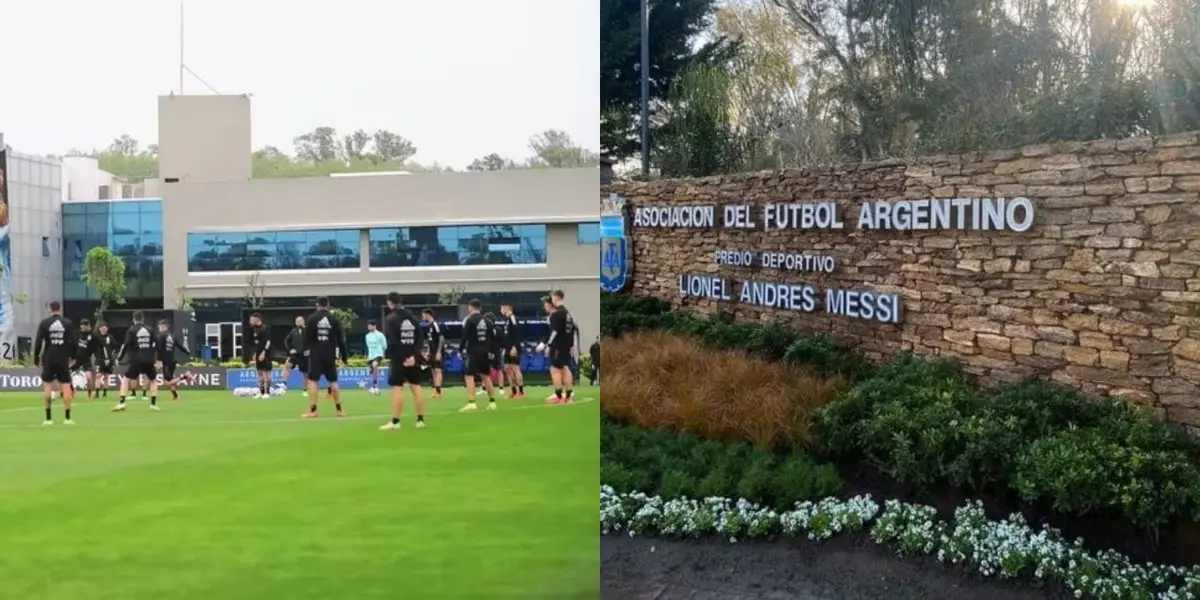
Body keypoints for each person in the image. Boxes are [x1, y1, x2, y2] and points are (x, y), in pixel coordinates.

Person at [379, 292, 426, 430]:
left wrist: (405, 357)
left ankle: (395, 422)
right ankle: (420, 420)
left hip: (399, 358)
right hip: (413, 358)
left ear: (390, 303)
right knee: (416, 387)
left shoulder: (390, 319)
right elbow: (420, 338)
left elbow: (393, 340)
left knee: (397, 387)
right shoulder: (413, 318)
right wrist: (414, 356)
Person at [302, 296, 348, 418]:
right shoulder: (334, 320)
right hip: (330, 353)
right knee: (333, 381)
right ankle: (339, 410)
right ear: (328, 305)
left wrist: (305, 350)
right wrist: (344, 356)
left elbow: (307, 338)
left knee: (313, 381)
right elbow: (341, 340)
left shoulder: (312, 319)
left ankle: (313, 411)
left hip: (316, 354)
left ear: (317, 305)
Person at [33, 301, 77, 425]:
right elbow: (74, 342)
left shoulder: (44, 323)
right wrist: (73, 356)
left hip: (49, 357)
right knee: (66, 386)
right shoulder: (67, 323)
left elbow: (38, 342)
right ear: (60, 309)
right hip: (62, 357)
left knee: (48, 386)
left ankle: (48, 419)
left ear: (50, 309)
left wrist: (36, 358)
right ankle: (67, 418)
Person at [112, 311, 158, 412]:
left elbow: (125, 345)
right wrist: (154, 356)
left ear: (133, 319)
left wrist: (119, 358)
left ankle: (122, 403)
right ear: (143, 319)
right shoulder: (150, 329)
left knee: (126, 379)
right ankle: (153, 404)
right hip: (149, 360)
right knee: (153, 380)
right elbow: (156, 343)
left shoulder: (131, 330)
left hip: (137, 359)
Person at [459, 299, 498, 412]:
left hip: (473, 352)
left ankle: (472, 403)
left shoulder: (469, 320)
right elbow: (492, 338)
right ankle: (492, 402)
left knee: (469, 376)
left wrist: (460, 349)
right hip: (485, 352)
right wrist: (491, 352)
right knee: (486, 376)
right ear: (480, 308)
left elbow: (465, 336)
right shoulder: (487, 321)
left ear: (470, 307)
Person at [546, 290, 579, 404]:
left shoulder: (557, 314)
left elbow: (554, 331)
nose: (552, 300)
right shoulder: (567, 313)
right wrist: (571, 345)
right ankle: (569, 396)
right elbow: (571, 330)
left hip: (558, 346)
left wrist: (549, 345)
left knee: (554, 369)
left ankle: (559, 396)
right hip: (566, 346)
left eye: (552, 298)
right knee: (565, 368)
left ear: (556, 298)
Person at [155, 319, 192, 400]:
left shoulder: (161, 336)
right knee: (169, 380)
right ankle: (175, 396)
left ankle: (185, 376)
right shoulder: (172, 336)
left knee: (167, 383)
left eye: (159, 327)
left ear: (164, 327)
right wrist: (187, 352)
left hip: (167, 362)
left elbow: (158, 348)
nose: (159, 329)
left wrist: (158, 360)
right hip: (172, 361)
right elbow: (180, 346)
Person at [499, 302, 525, 398]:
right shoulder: (506, 320)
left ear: (507, 308)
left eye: (502, 308)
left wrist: (514, 346)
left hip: (513, 348)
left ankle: (521, 392)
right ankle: (513, 391)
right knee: (507, 369)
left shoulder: (512, 318)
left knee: (515, 368)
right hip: (507, 348)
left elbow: (517, 332)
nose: (501, 310)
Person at [247, 313, 272, 399]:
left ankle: (267, 392)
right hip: (258, 353)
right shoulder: (253, 329)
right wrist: (255, 353)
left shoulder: (265, 328)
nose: (250, 321)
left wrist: (264, 352)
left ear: (257, 319)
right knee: (259, 373)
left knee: (266, 373)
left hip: (265, 354)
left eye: (252, 320)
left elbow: (268, 342)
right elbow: (255, 343)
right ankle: (261, 392)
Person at [421, 308, 445, 398]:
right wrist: (428, 351)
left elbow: (441, 338)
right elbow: (429, 340)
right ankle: (436, 390)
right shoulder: (428, 326)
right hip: (432, 352)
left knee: (437, 370)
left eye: (423, 315)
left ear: (428, 314)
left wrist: (439, 352)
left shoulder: (435, 324)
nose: (422, 317)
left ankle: (439, 392)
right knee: (433, 371)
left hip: (437, 351)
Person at [90, 322, 117, 398]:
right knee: (98, 375)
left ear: (107, 329)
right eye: (102, 327)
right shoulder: (96, 337)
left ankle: (105, 393)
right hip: (99, 359)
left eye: (105, 328)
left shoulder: (110, 337)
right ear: (99, 328)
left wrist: (111, 357)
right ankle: (97, 393)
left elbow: (115, 347)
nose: (103, 329)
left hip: (109, 359)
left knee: (106, 376)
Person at [282, 315, 308, 395]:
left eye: (299, 321)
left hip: (304, 355)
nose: (298, 322)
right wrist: (290, 349)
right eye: (296, 321)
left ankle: (305, 390)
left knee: (305, 373)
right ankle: (284, 383)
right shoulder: (293, 331)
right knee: (287, 366)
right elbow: (286, 341)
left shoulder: (308, 331)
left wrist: (309, 350)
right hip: (294, 355)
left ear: (303, 321)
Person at [74, 319, 95, 401]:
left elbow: (97, 345)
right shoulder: (76, 333)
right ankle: (68, 391)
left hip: (86, 359)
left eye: (85, 325)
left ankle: (89, 394)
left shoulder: (92, 335)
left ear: (88, 326)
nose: (83, 327)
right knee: (66, 375)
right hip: (76, 358)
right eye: (82, 325)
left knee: (89, 377)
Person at [365, 320, 387, 395]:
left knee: (374, 365)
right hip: (371, 355)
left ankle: (375, 385)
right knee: (372, 370)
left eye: (370, 326)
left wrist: (382, 354)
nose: (369, 327)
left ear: (374, 326)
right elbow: (368, 346)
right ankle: (374, 385)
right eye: (368, 326)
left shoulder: (380, 335)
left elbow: (384, 346)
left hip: (378, 354)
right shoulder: (367, 336)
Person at [484, 311, 504, 391]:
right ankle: (484, 388)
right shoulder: (484, 329)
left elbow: (502, 340)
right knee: (485, 370)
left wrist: (501, 350)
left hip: (496, 351)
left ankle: (501, 388)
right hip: (487, 351)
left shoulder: (498, 329)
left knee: (499, 369)